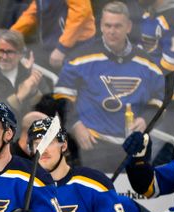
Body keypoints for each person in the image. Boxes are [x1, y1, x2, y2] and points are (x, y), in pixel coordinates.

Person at [53, 1, 165, 173]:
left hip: (133, 146)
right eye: (108, 25)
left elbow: (160, 98)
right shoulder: (79, 58)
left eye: (118, 26)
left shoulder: (147, 64)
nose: (112, 31)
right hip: (93, 145)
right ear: (101, 26)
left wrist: (145, 119)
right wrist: (75, 124)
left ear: (128, 27)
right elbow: (62, 96)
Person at [0, 30, 51, 120]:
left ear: (20, 54)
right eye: (1, 51)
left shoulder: (32, 76)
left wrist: (34, 93)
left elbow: (49, 113)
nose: (4, 57)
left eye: (9, 52)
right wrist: (18, 97)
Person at [136, 0, 174, 105]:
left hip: (173, 97)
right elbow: (141, 56)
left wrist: (143, 83)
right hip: (151, 94)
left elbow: (172, 66)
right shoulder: (147, 14)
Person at [11, 0, 96, 70]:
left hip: (77, 45)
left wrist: (62, 48)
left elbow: (80, 12)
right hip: (53, 44)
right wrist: (11, 34)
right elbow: (35, 10)